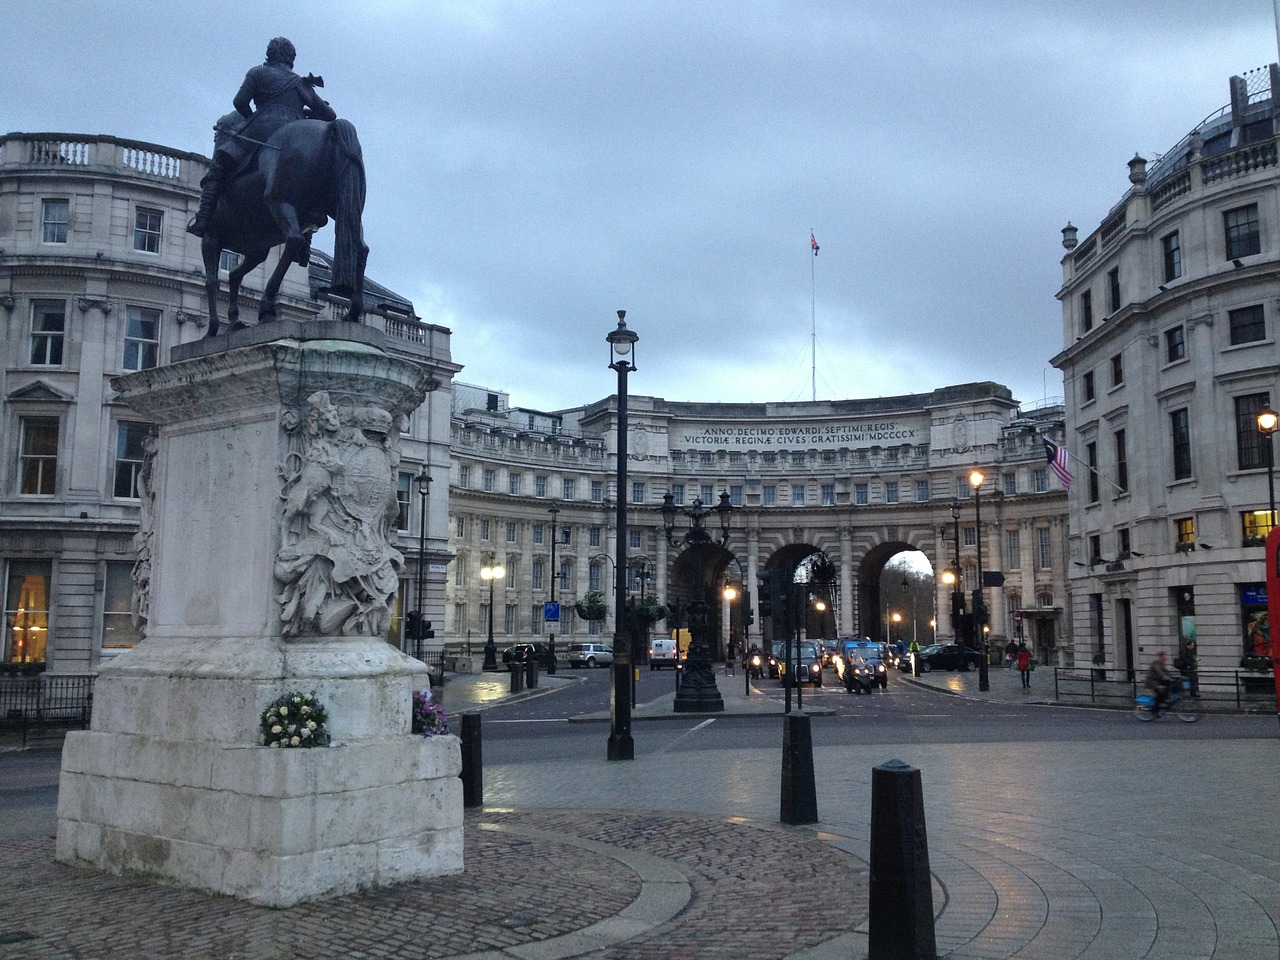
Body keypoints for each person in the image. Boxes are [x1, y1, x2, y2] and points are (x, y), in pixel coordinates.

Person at [188, 37, 337, 237]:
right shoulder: (301, 83)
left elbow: (240, 102)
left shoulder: (258, 72)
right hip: (294, 129)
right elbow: (329, 115)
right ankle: (305, 241)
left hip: (262, 127)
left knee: (219, 165)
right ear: (291, 58)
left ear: (270, 53)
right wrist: (305, 114)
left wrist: (251, 120)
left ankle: (203, 220)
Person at [1145, 651, 1174, 716]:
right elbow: (1159, 672)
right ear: (1161, 657)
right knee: (1159, 694)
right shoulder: (1156, 663)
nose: (1166, 657)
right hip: (1152, 682)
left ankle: (1166, 698)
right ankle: (1155, 711)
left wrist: (1172, 676)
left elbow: (1166, 671)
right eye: (1165, 656)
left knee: (1168, 683)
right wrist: (1164, 677)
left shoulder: (1162, 663)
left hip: (1158, 681)